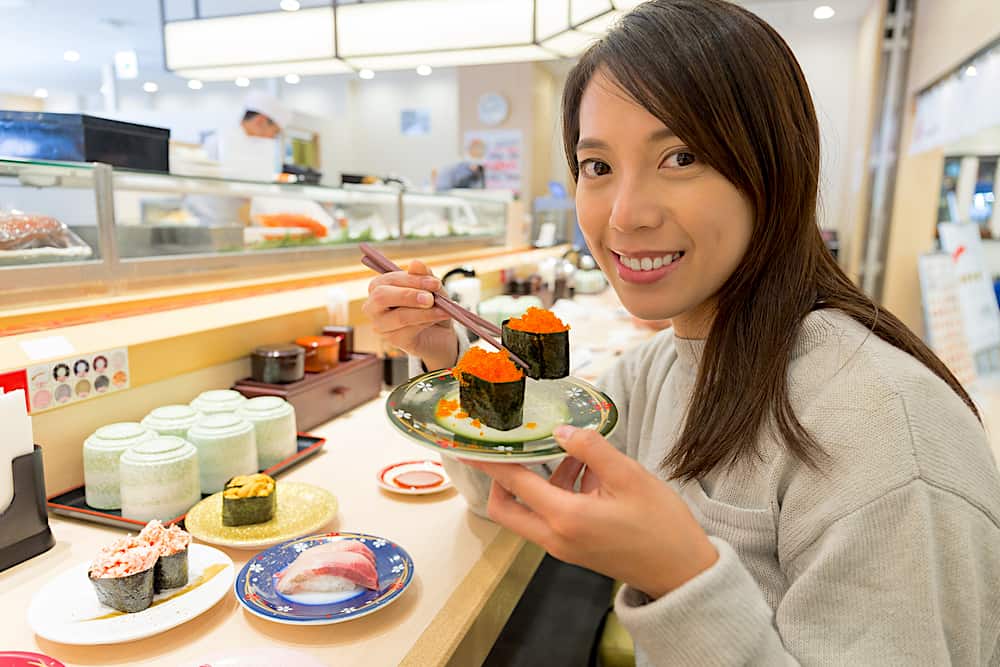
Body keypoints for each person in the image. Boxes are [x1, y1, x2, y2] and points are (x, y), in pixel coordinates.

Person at [362, 1, 1000, 664]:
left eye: (681, 156)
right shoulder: (661, 367)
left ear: (775, 167)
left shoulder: (886, 428)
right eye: (597, 166)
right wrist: (450, 364)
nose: (625, 215)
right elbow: (526, 485)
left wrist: (681, 578)